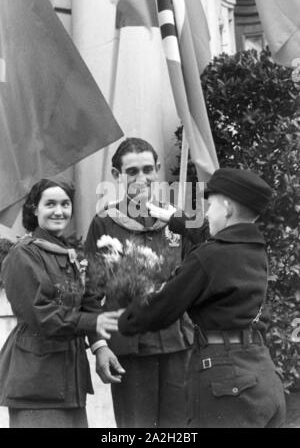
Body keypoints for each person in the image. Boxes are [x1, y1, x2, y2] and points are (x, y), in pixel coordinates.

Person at [119, 167, 286, 428]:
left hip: (225, 378)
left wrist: (121, 319)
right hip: (261, 372)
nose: (206, 213)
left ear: (227, 208)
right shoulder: (254, 250)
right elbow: (215, 238)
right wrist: (174, 218)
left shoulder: (208, 257)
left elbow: (159, 310)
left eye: (211, 206)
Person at [85, 137, 194, 428]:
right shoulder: (104, 223)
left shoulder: (176, 220)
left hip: (178, 344)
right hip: (131, 348)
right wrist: (99, 346)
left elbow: (198, 280)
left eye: (148, 169)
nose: (141, 178)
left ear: (157, 170)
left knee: (180, 431)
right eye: (132, 171)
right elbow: (91, 293)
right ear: (116, 175)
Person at [0, 178, 122, 428]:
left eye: (65, 204)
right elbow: (41, 316)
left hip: (68, 383)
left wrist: (100, 347)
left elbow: (86, 301)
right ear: (35, 209)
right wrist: (94, 321)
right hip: (37, 385)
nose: (59, 211)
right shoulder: (23, 255)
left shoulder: (66, 254)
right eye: (50, 204)